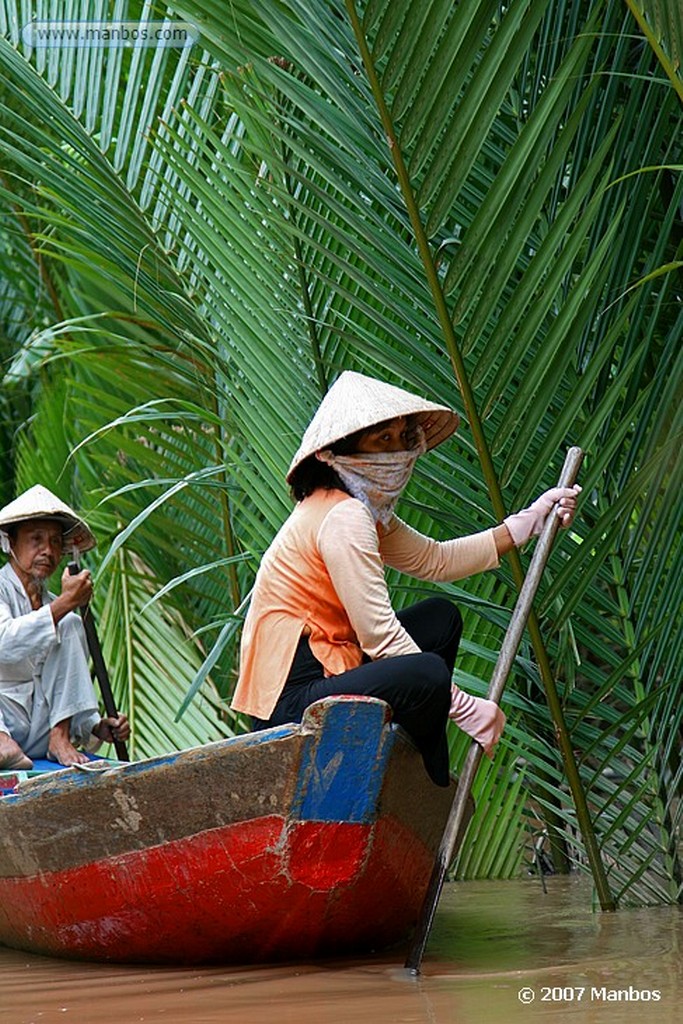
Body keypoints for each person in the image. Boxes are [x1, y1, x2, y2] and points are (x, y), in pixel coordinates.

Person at [231, 372, 580, 786]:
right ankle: (429, 780)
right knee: (428, 673)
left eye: (401, 437)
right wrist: (465, 707)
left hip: (331, 670)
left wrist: (527, 523)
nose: (397, 451)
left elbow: (435, 560)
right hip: (291, 703)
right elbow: (379, 637)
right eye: (383, 440)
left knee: (440, 619)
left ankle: (408, 758)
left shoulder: (357, 510)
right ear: (335, 454)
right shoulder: (343, 517)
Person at [0, 485, 130, 770]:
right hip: (4, 725)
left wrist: (96, 726)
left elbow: (64, 688)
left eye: (56, 542)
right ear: (11, 542)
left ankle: (59, 739)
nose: (48, 551)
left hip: (36, 733)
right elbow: (5, 643)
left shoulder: (59, 608)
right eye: (36, 539)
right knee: (65, 616)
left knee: (70, 622)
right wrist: (65, 604)